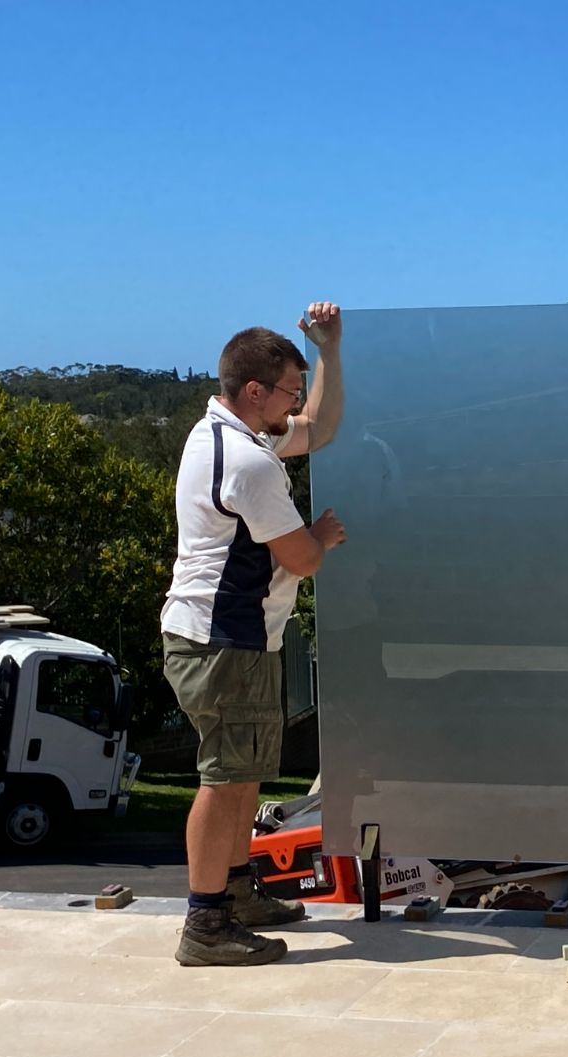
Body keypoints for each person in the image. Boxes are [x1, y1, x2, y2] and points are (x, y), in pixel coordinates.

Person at [160, 302, 348, 966]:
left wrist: (327, 350)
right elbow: (302, 558)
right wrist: (321, 536)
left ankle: (235, 892)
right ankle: (206, 923)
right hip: (224, 643)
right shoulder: (249, 462)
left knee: (240, 776)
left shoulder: (219, 435)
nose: (296, 404)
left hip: (223, 639)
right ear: (254, 391)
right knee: (223, 780)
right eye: (290, 392)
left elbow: (319, 429)